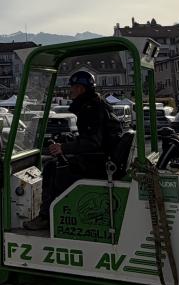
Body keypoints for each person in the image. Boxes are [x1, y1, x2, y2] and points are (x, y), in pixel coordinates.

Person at [23, 70, 120, 231]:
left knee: (52, 167)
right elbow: (93, 137)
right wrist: (69, 141)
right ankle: (52, 212)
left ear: (81, 89)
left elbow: (92, 143)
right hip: (103, 158)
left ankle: (46, 217)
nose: (70, 91)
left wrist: (63, 147)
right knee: (55, 165)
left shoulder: (91, 108)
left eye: (73, 88)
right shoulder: (97, 104)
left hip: (98, 162)